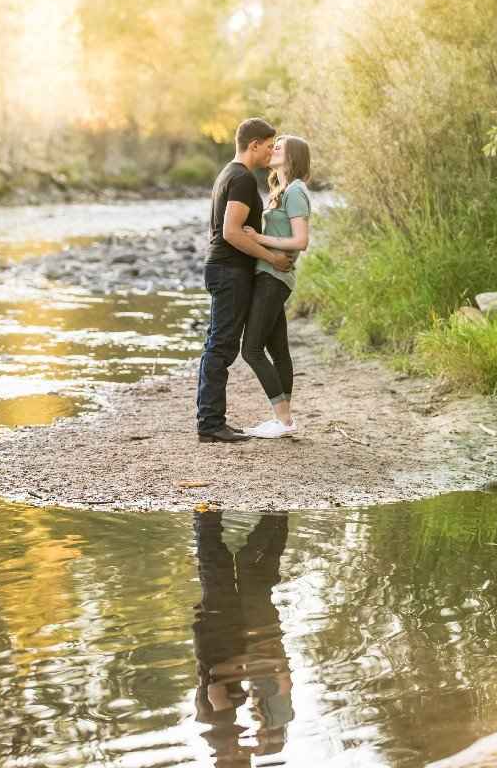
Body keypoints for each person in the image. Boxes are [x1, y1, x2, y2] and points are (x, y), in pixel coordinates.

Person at [196, 118, 294, 443]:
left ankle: (212, 421)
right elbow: (231, 232)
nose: (270, 152)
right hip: (229, 271)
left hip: (226, 270)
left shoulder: (231, 174)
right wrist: (272, 257)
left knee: (219, 345)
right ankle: (210, 424)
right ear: (254, 145)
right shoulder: (241, 178)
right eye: (268, 146)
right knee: (221, 347)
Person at [192, 510, 293, 765]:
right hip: (228, 631)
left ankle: (206, 508)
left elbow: (216, 673)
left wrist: (248, 663)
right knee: (225, 565)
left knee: (215, 564)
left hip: (216, 633)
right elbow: (279, 680)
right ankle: (273, 514)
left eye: (239, 759)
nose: (244, 753)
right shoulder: (231, 721)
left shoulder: (218, 720)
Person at [240, 135, 312, 439]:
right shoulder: (281, 191)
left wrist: (259, 239)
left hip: (275, 278)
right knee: (278, 349)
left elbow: (301, 241)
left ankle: (284, 420)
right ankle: (283, 420)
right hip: (270, 275)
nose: (273, 150)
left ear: (293, 156)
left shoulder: (295, 191)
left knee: (252, 349)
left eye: (278, 147)